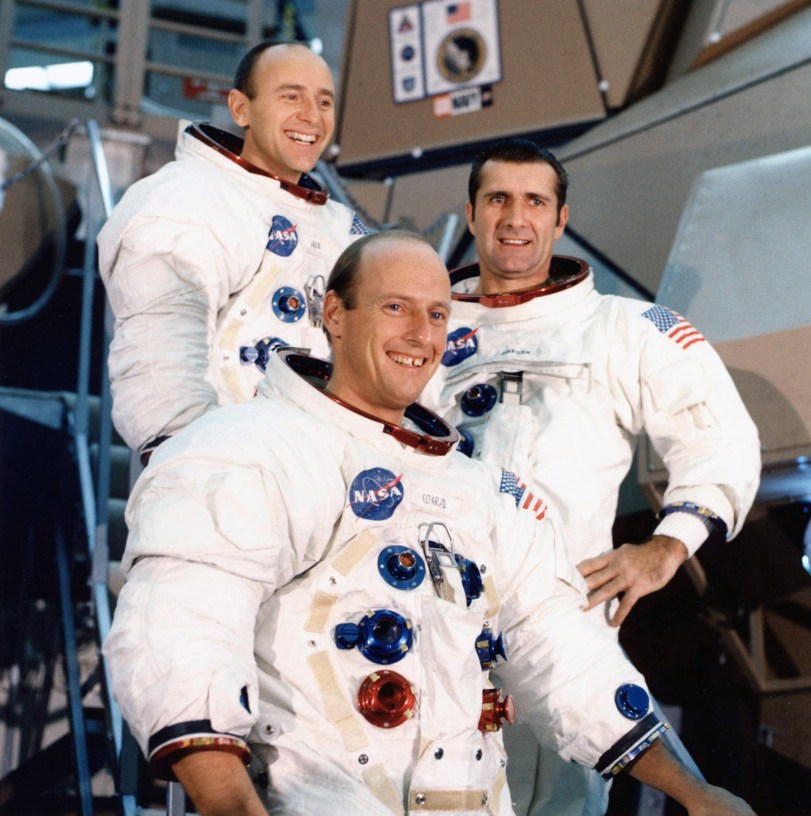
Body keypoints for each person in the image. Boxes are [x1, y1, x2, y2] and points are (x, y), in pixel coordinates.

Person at [105, 230, 758, 816]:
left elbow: (561, 653)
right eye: (395, 307)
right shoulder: (250, 448)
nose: (421, 334)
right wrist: (228, 804)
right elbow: (182, 626)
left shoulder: (481, 490)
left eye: (437, 313)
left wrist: (692, 791)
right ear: (333, 313)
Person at [422, 139, 761, 816]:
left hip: (561, 637)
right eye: (497, 199)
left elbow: (721, 439)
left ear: (559, 217)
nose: (515, 218)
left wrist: (667, 547)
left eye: (533, 202)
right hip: (428, 628)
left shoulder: (624, 329)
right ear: (470, 211)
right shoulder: (417, 329)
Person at [97, 40, 367, 458]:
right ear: (241, 109)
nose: (311, 116)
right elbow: (159, 345)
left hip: (318, 471)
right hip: (220, 467)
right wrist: (191, 460)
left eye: (324, 102)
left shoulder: (342, 228)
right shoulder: (187, 196)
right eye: (291, 96)